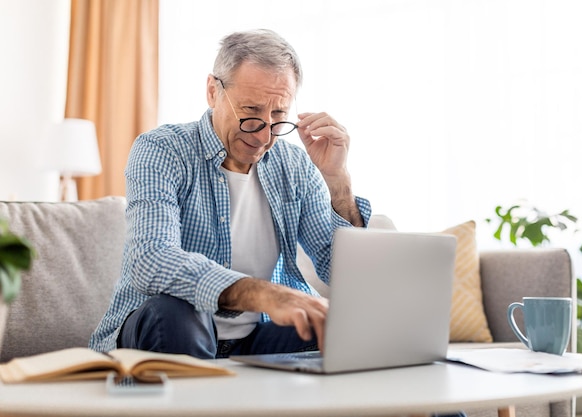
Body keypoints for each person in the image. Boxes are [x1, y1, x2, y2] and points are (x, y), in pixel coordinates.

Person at [89, 29, 371, 359]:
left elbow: (341, 272)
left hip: (252, 340)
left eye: (278, 116)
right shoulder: (162, 150)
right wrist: (264, 294)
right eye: (251, 111)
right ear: (213, 91)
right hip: (167, 328)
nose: (265, 135)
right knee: (178, 315)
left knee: (344, 329)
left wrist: (337, 181)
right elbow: (151, 259)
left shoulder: (294, 165)